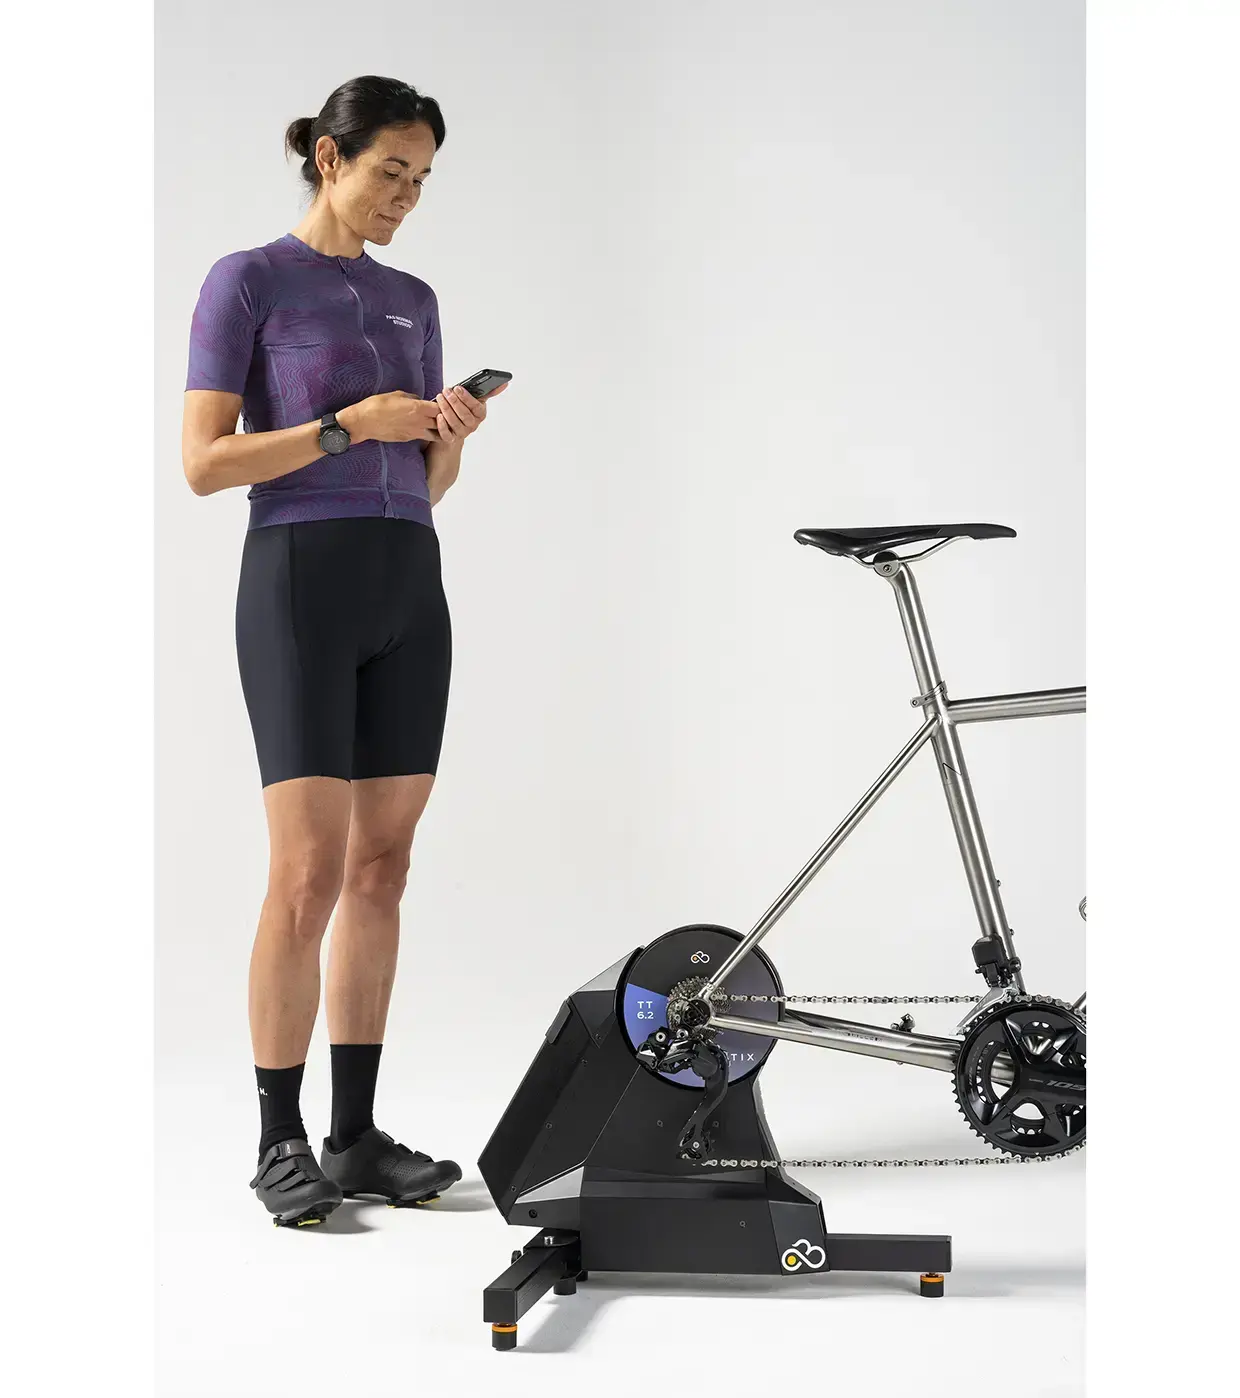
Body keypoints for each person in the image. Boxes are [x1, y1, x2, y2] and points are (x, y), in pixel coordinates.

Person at [181, 74, 507, 1227]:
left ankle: (355, 1136)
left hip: (407, 581)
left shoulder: (414, 299)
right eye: (389, 172)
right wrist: (343, 426)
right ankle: (279, 1142)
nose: (405, 197)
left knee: (382, 868)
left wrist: (446, 436)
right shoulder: (248, 280)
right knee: (307, 872)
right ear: (330, 157)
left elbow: (422, 485)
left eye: (421, 180)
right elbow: (204, 462)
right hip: (299, 585)